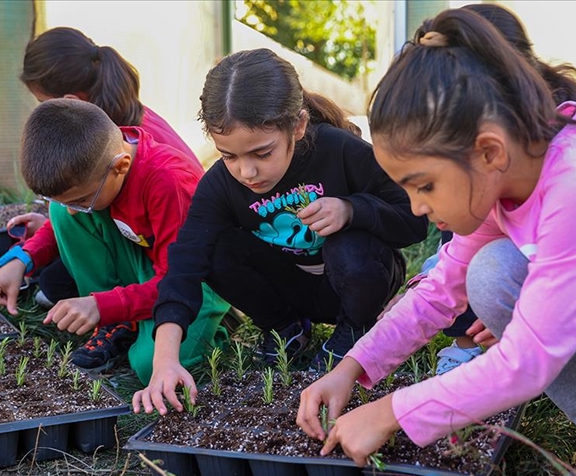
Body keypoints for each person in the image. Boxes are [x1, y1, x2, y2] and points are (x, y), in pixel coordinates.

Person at [297, 8, 576, 476]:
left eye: (425, 185)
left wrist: (390, 412)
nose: (416, 207)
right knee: (493, 271)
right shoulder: (506, 180)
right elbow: (439, 291)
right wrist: (352, 368)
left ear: (489, 151)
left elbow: (527, 360)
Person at [132, 48, 427, 416]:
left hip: (359, 281)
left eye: (262, 153)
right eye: (229, 156)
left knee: (349, 246)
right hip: (293, 289)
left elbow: (414, 220)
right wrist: (164, 361)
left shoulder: (340, 150)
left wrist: (352, 210)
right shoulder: (220, 186)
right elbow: (185, 267)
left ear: (298, 126)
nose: (247, 172)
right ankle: (286, 329)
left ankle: (354, 331)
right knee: (215, 247)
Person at [392, 2, 576, 376]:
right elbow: (453, 271)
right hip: (521, 268)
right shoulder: (479, 163)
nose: (418, 207)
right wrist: (362, 358)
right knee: (444, 273)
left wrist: (524, 321)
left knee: (487, 272)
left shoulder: (571, 163)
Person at [0, 98, 229, 383]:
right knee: (60, 214)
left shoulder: (168, 181)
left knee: (149, 365)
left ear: (120, 166)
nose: (74, 209)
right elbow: (66, 214)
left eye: (82, 200)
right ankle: (119, 322)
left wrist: (101, 305)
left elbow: (178, 278)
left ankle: (217, 325)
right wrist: (24, 259)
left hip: (193, 282)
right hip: (146, 263)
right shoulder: (97, 169)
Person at [4, 27, 202, 309]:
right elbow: (80, 206)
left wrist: (105, 305)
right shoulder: (107, 129)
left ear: (70, 101)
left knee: (57, 279)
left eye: (42, 104)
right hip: (139, 238)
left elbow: (179, 270)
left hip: (172, 260)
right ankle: (113, 317)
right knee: (56, 256)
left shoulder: (146, 164)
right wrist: (29, 253)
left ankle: (115, 312)